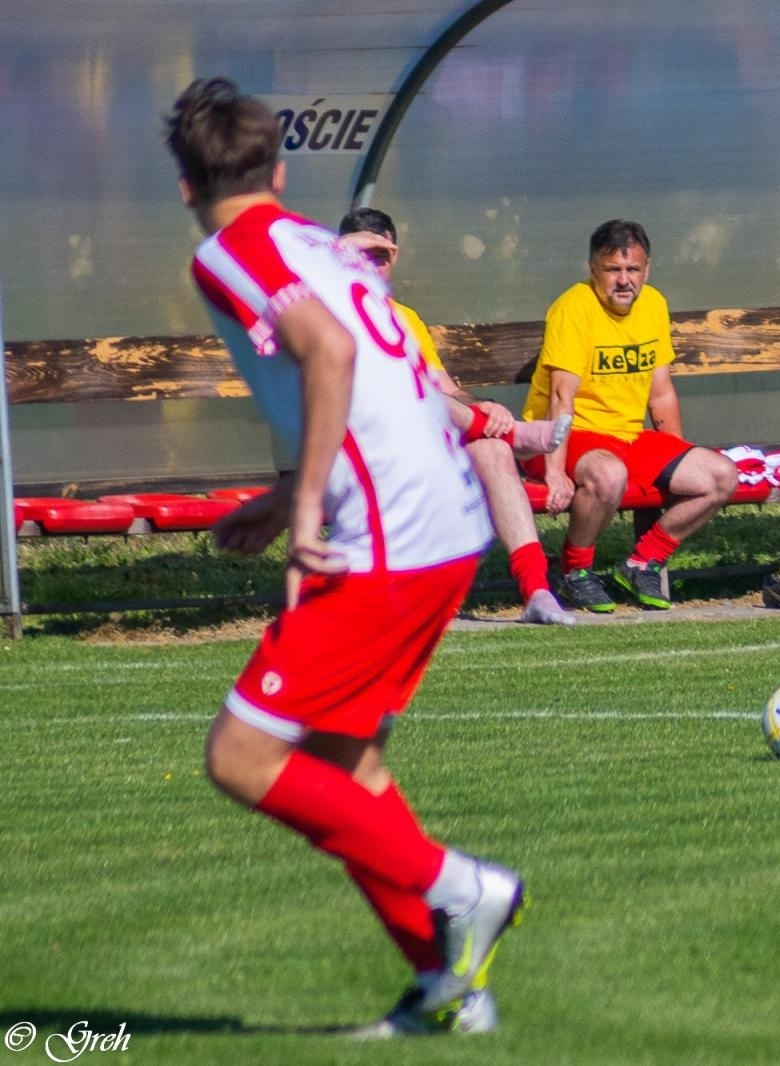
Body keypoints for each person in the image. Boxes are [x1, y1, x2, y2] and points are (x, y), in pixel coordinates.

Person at [166, 76, 528, 1036]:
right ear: (280, 172)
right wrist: (287, 497)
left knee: (241, 755)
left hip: (389, 532)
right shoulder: (318, 244)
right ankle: (446, 990)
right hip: (443, 515)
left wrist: (306, 517)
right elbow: (380, 390)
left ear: (186, 186)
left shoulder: (226, 252)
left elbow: (328, 354)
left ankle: (466, 888)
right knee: (342, 763)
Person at [336, 207, 576, 626]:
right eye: (361, 255)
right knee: (407, 390)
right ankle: (517, 436)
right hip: (357, 446)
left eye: (381, 256)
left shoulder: (404, 317)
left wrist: (482, 406)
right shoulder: (326, 309)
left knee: (492, 451)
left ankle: (536, 590)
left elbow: (445, 388)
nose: (372, 266)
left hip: (421, 438)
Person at [521, 219, 738, 612]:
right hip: (560, 437)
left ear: (647, 269)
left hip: (627, 437)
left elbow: (662, 392)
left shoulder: (653, 304)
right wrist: (553, 472)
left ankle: (641, 564)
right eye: (613, 270)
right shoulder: (573, 307)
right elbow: (560, 396)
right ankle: (574, 572)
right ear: (593, 269)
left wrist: (676, 456)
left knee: (721, 476)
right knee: (609, 475)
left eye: (632, 269)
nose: (624, 280)